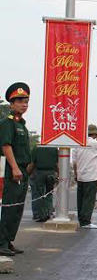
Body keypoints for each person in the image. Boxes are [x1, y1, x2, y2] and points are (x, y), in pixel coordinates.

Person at [0, 82, 34, 256]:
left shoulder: (22, 125)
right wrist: (14, 168)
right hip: (12, 170)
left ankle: (8, 240)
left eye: (26, 101)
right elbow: (6, 146)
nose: (24, 104)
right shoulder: (8, 123)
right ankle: (1, 243)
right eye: (20, 101)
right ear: (11, 104)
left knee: (18, 208)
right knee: (10, 206)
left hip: (22, 170)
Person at [72, 124, 97, 229]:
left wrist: (76, 175)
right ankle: (86, 222)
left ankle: (81, 220)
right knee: (89, 200)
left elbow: (74, 162)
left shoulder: (78, 143)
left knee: (81, 199)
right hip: (91, 176)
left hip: (80, 176)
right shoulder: (94, 143)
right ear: (95, 134)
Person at [31, 146, 58, 222]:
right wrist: (59, 174)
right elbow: (57, 164)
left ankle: (38, 214)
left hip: (39, 173)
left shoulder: (36, 148)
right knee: (49, 194)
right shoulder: (54, 149)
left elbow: (32, 163)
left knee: (38, 194)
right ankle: (48, 212)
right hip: (51, 173)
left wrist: (27, 173)